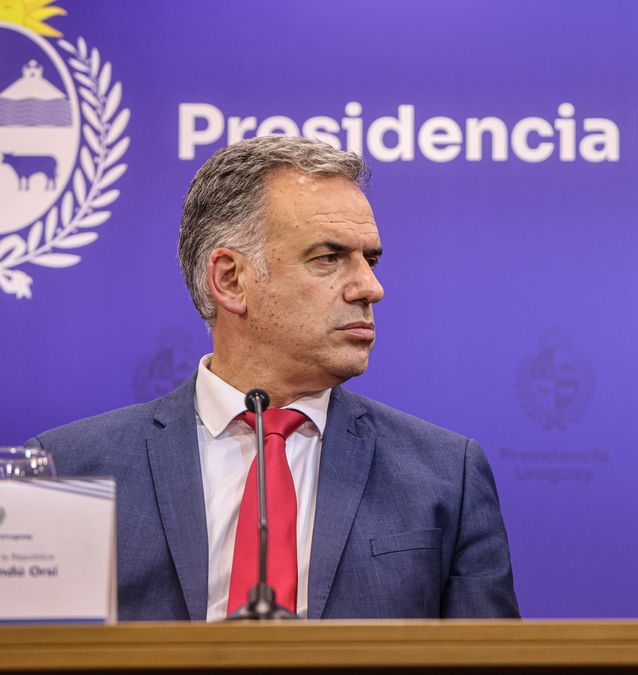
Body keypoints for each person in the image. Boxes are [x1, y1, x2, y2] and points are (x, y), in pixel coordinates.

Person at [27, 136, 520, 620]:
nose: (370, 287)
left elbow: (488, 660)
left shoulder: (445, 475)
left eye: (369, 260)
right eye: (328, 258)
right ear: (230, 280)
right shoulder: (70, 468)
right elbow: (31, 650)